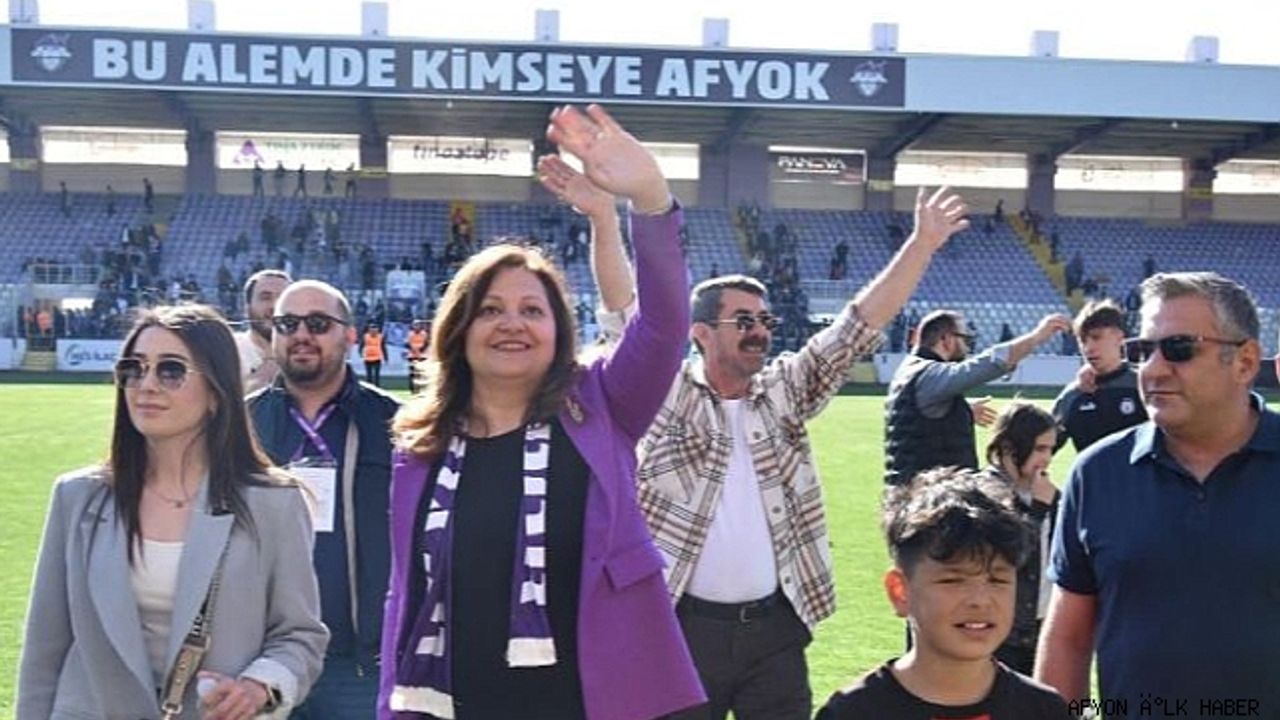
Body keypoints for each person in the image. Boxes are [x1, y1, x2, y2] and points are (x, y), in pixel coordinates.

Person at [595, 183, 971, 719]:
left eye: (764, 320)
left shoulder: (784, 390)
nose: (759, 332)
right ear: (700, 333)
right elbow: (621, 314)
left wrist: (922, 244)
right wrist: (602, 218)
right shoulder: (666, 393)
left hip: (775, 631)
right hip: (680, 630)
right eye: (743, 321)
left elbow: (856, 327)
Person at [379, 104, 704, 720]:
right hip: (458, 704)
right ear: (459, 329)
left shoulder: (601, 405)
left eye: (533, 310)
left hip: (596, 703)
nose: (512, 323)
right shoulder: (420, 448)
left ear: (559, 332)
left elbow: (663, 328)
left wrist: (650, 200)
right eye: (490, 309)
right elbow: (405, 595)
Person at [17, 305, 327, 719]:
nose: (146, 385)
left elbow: (299, 636)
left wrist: (259, 686)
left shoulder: (274, 503)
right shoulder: (76, 497)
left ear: (216, 392)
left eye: (171, 371)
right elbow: (44, 650)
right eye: (133, 369)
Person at [1037, 272, 1280, 715]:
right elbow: (1068, 640)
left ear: (1245, 362)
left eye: (1179, 348)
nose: (1152, 369)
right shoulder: (1097, 473)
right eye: (1142, 351)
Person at [247, 280, 401, 718]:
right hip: (260, 662)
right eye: (287, 323)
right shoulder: (239, 423)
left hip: (359, 663)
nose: (301, 335)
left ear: (349, 335)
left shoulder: (397, 425)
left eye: (317, 323)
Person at [814, 468, 1071, 719]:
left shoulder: (1044, 710)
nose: (980, 600)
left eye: (997, 580)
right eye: (953, 580)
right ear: (900, 591)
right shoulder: (853, 713)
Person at [883, 310, 1071, 486]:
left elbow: (920, 418)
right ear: (946, 340)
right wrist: (1036, 337)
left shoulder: (908, 371)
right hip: (932, 496)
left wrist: (961, 412)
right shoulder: (929, 376)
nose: (968, 346)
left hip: (909, 494)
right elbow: (985, 365)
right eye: (965, 339)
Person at [981, 402, 1059, 675]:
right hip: (1002, 634)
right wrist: (1038, 510)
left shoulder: (1047, 492)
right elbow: (1012, 553)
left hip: (1046, 627)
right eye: (1039, 449)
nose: (1046, 459)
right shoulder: (984, 494)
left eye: (1050, 450)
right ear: (1009, 448)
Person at [1051, 299, 1146, 453]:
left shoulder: (1143, 385)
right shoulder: (1073, 396)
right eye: (1082, 341)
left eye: (1096, 337)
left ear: (1119, 337)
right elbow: (1044, 446)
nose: (1088, 348)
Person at [236, 269, 292, 396]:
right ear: (247, 307)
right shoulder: (229, 349)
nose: (275, 306)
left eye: (283, 298)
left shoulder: (308, 350)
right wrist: (272, 362)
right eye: (265, 298)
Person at [404, 319, 430, 396]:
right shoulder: (410, 334)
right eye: (415, 325)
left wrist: (421, 349)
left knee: (422, 374)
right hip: (412, 356)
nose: (417, 327)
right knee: (412, 374)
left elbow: (426, 343)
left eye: (418, 325)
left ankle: (422, 389)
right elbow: (407, 344)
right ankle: (412, 390)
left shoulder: (424, 334)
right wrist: (412, 348)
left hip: (422, 356)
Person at [361, 323, 387, 387]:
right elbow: (361, 346)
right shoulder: (365, 336)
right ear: (369, 330)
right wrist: (361, 353)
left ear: (377, 330)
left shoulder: (380, 337)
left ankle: (377, 388)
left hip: (377, 358)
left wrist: (385, 357)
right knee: (369, 375)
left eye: (375, 330)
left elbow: (383, 347)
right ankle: (369, 388)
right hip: (368, 358)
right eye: (372, 330)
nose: (373, 331)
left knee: (376, 375)